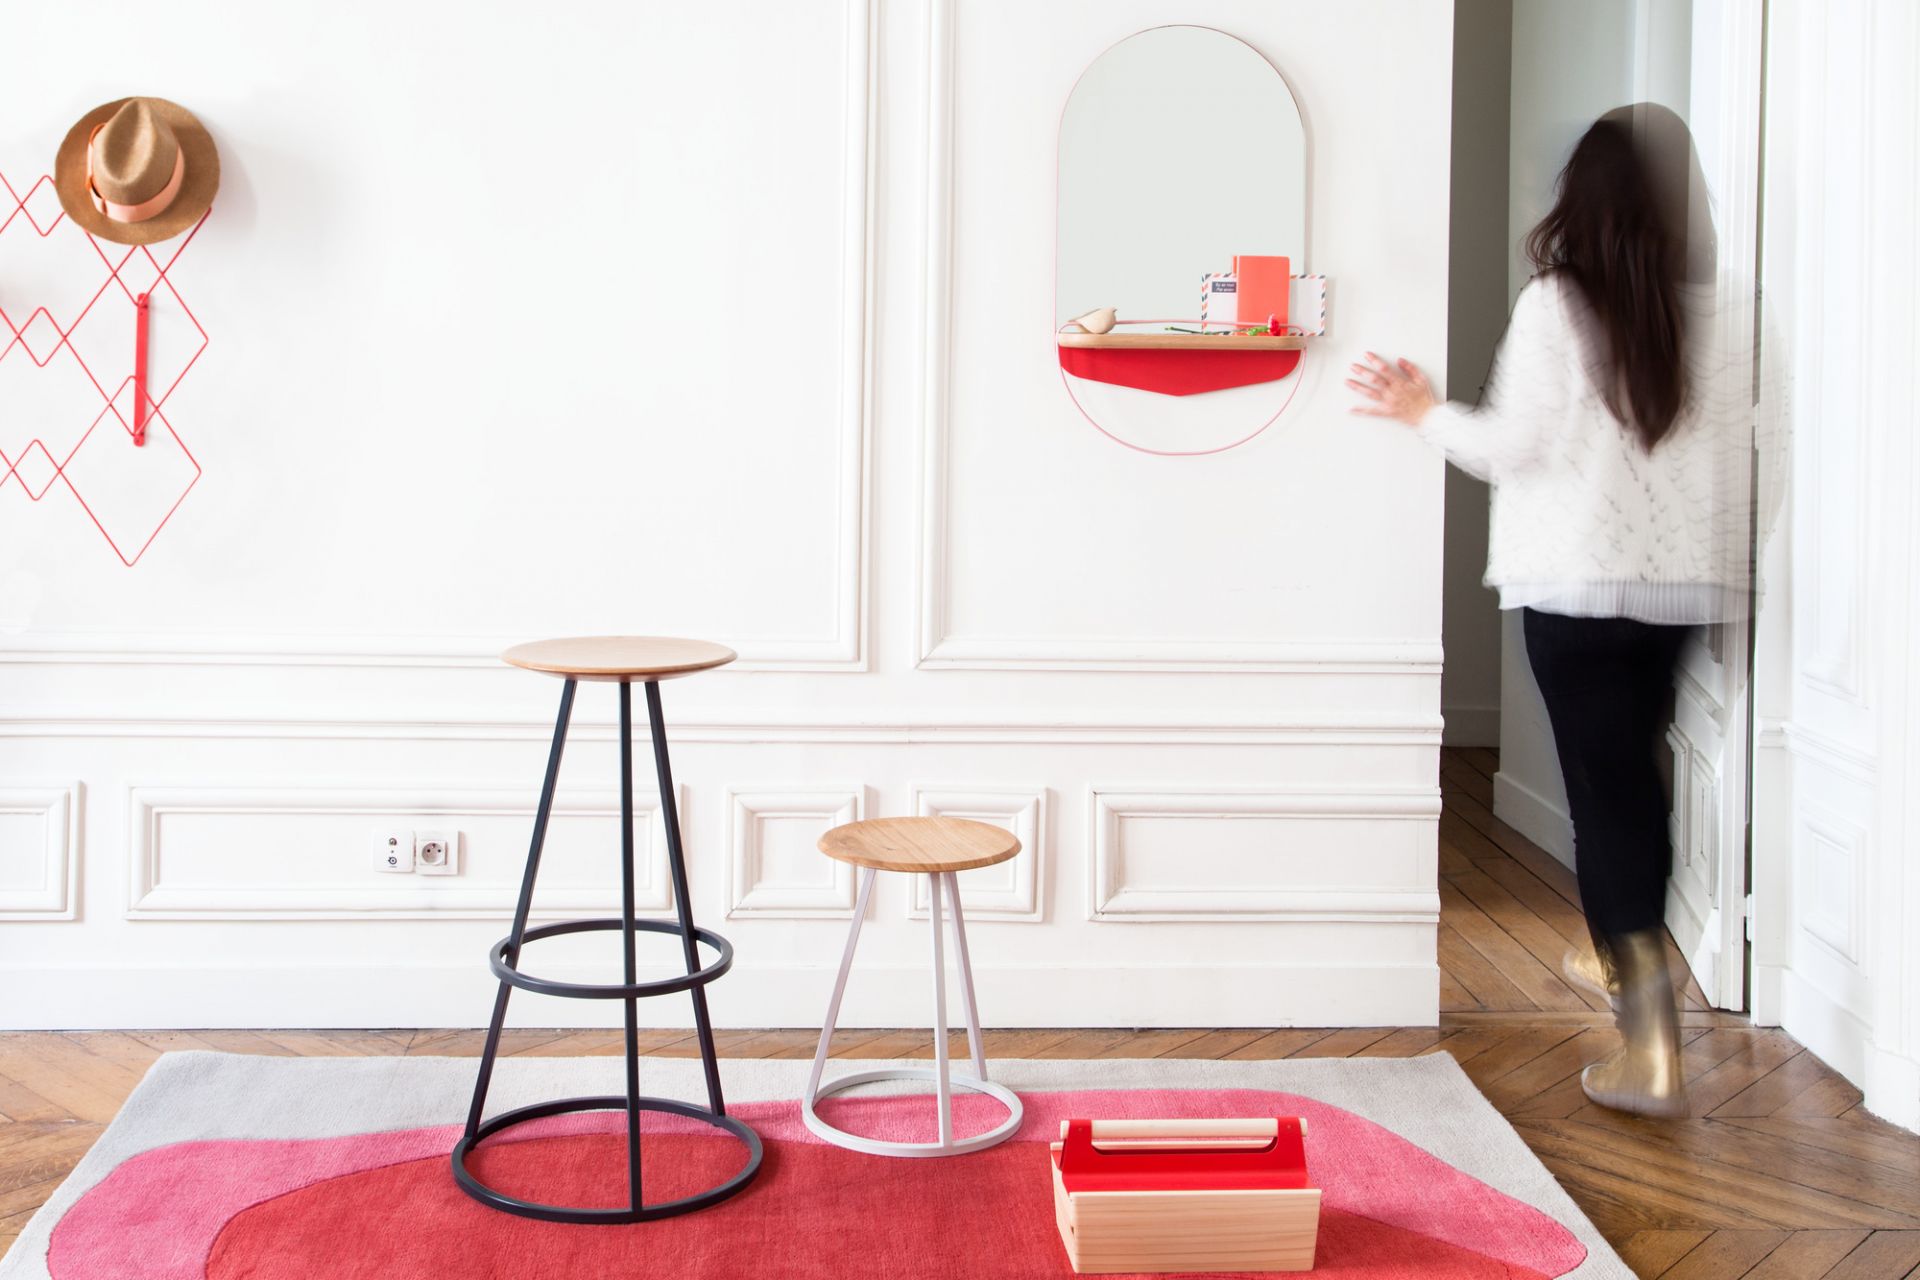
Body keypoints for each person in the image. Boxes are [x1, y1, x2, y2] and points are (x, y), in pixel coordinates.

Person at [1348, 103, 1765, 1117]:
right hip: (1683, 590)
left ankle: (1649, 1044)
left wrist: (1423, 412)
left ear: (1581, 198)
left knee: (1603, 790)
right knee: (1636, 781)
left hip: (1577, 590)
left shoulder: (1558, 304)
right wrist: (1731, 568)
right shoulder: (1736, 312)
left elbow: (1512, 446)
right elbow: (1766, 456)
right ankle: (1618, 950)